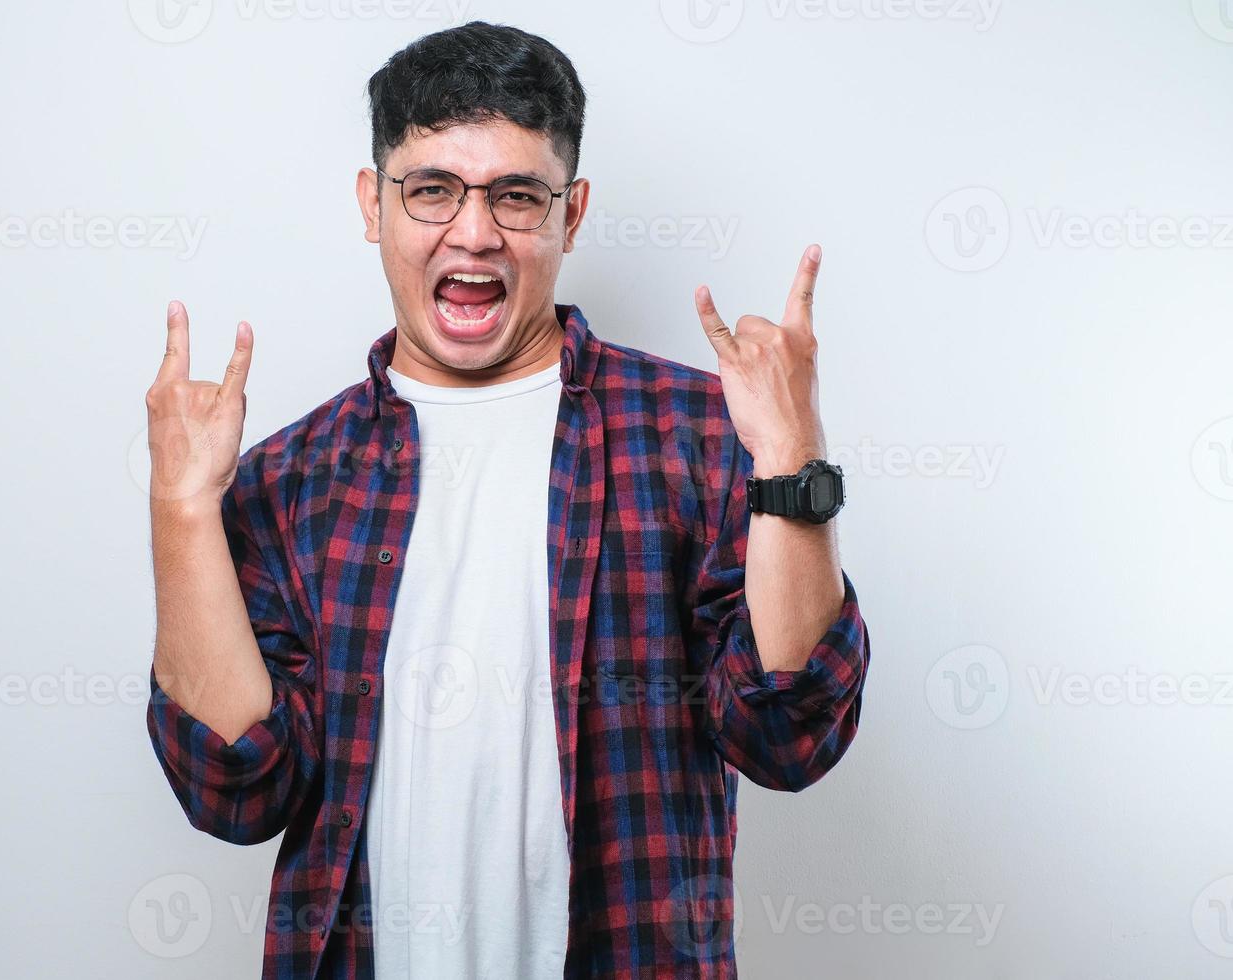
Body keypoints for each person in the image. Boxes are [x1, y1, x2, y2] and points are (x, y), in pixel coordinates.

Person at [143, 21, 869, 979]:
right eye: (432, 189)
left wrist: (789, 458)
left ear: (570, 215)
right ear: (374, 204)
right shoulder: (291, 478)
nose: (474, 231)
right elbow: (236, 789)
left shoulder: (696, 437)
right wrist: (182, 509)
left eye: (517, 196)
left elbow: (789, 735)